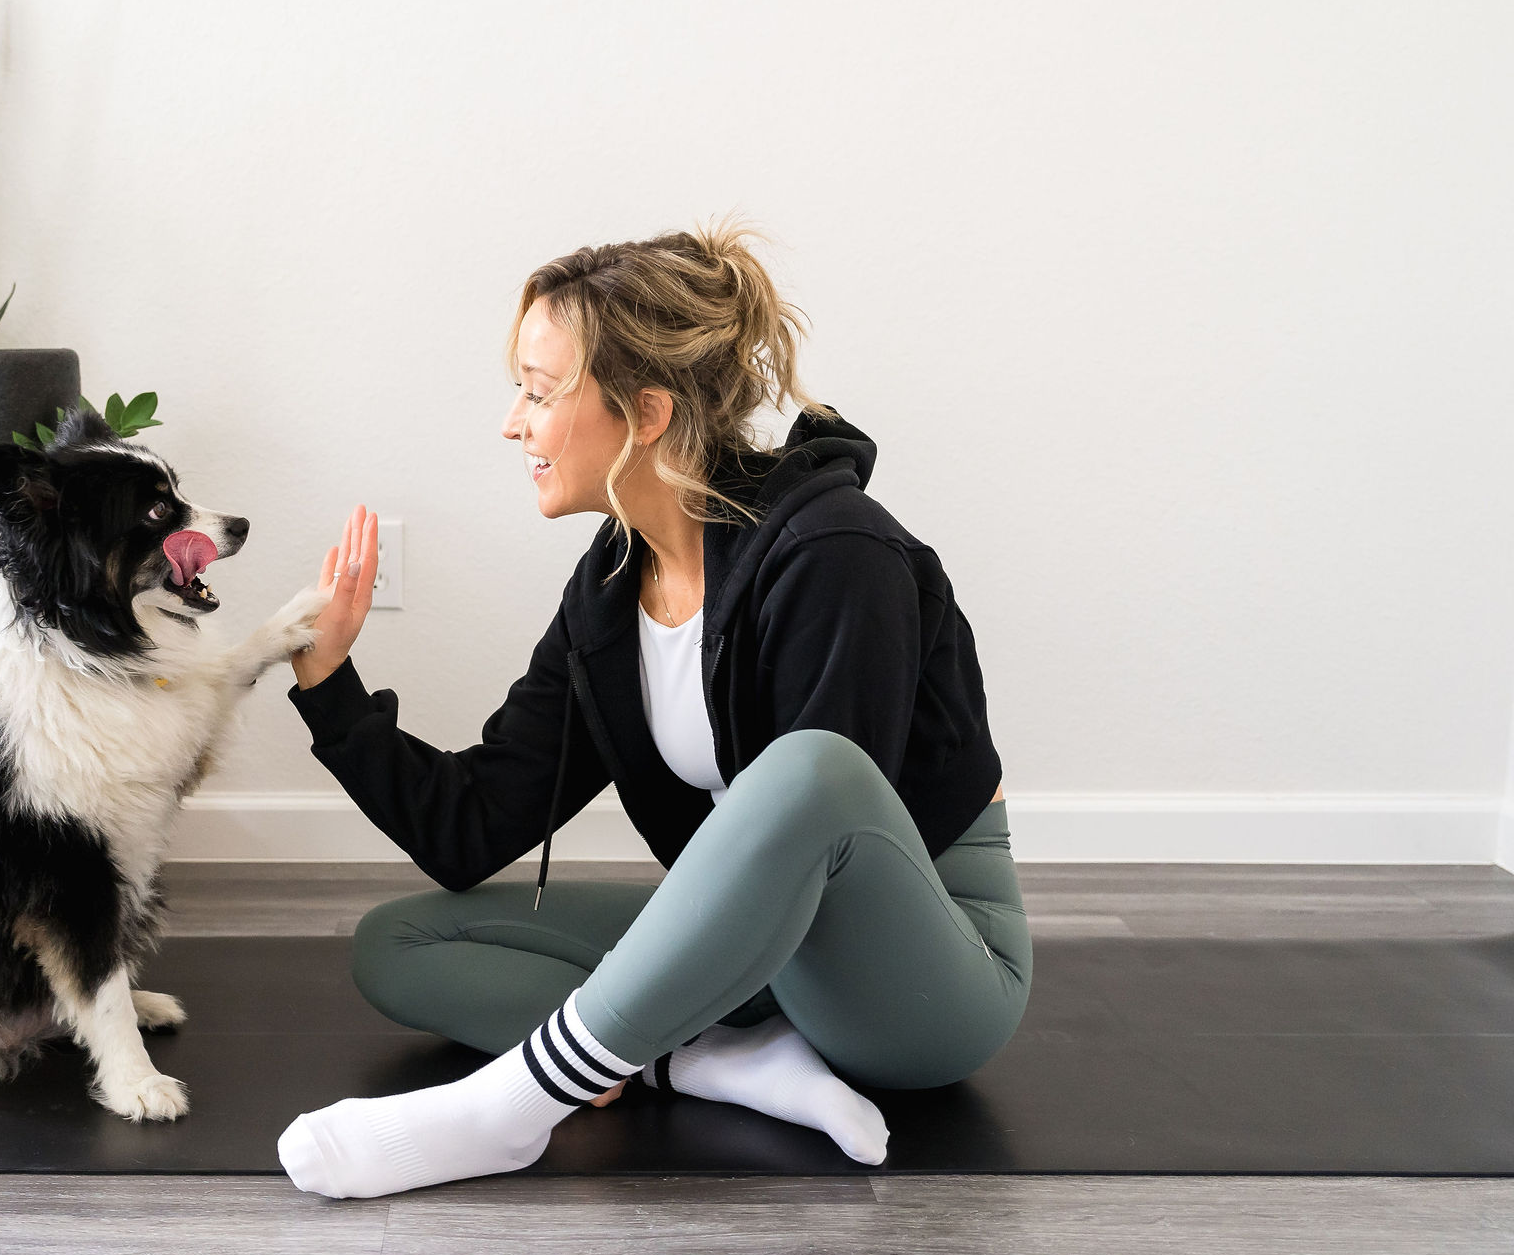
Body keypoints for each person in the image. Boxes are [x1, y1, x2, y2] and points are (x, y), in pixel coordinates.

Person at [271, 221, 1029, 1199]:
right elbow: (468, 828)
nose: (513, 424)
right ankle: (714, 1061)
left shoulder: (837, 553)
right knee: (403, 945)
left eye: (539, 394)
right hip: (765, 958)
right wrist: (328, 683)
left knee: (809, 769)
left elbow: (829, 825)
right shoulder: (610, 590)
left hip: (924, 980)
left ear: (645, 412)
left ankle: (510, 1107)